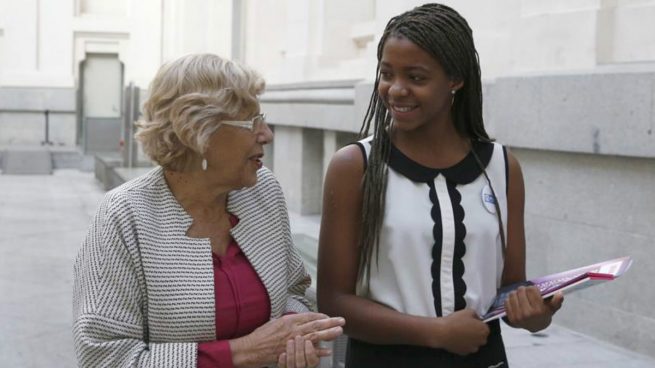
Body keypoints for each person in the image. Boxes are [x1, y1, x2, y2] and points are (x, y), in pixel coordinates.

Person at [317, 3, 563, 367]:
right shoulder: (355, 166)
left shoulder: (501, 167)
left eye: (416, 78)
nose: (396, 90)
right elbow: (334, 302)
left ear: (455, 80)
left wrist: (534, 313)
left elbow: (510, 289)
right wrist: (435, 332)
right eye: (387, 74)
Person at [73, 53, 344, 368]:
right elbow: (103, 357)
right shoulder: (125, 215)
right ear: (197, 131)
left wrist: (295, 330)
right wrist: (244, 352)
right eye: (252, 121)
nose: (267, 134)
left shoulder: (263, 191)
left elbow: (291, 287)